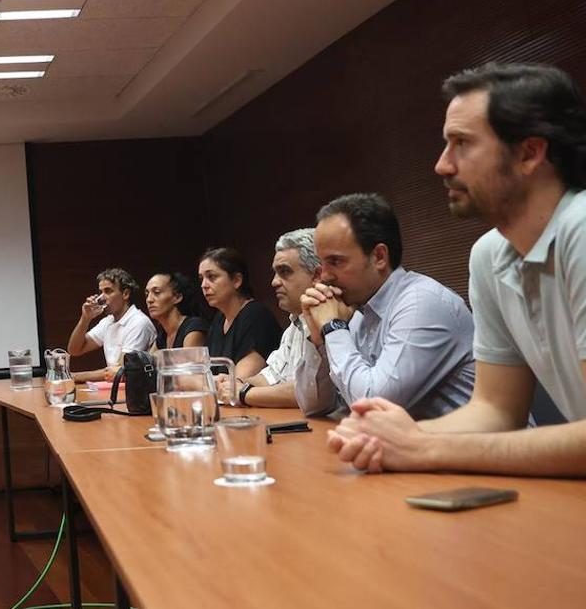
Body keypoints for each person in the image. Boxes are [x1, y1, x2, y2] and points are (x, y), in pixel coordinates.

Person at [329, 62, 586, 476]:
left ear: (529, 153)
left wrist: (422, 450)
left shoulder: (582, 227)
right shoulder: (489, 255)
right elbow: (495, 409)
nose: (442, 165)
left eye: (461, 143)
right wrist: (390, 439)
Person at [298, 193, 475, 420]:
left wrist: (334, 328)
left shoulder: (421, 303)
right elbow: (313, 406)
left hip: (485, 450)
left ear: (379, 257)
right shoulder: (358, 310)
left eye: (335, 261)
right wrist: (319, 342)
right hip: (417, 449)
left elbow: (373, 405)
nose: (324, 277)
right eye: (322, 264)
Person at [219, 229, 321, 409]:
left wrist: (244, 393)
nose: (274, 281)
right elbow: (271, 376)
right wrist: (235, 384)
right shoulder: (294, 324)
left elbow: (311, 393)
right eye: (275, 273)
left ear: (316, 275)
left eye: (285, 272)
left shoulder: (335, 319)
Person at [198, 247, 282, 379]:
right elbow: (199, 372)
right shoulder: (219, 319)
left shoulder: (257, 316)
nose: (204, 285)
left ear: (236, 280)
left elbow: (237, 383)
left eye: (211, 277)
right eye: (201, 278)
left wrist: (204, 381)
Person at [66, 268, 156, 383]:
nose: (102, 298)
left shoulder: (139, 322)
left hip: (136, 391)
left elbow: (120, 370)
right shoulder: (108, 321)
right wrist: (85, 318)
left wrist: (75, 377)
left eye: (108, 291)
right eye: (101, 292)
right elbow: (74, 350)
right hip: (116, 388)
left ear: (125, 294)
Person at [145, 272, 209, 350]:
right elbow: (149, 361)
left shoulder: (194, 327)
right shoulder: (163, 335)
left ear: (177, 297)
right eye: (147, 294)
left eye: (157, 292)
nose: (149, 300)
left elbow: (189, 362)